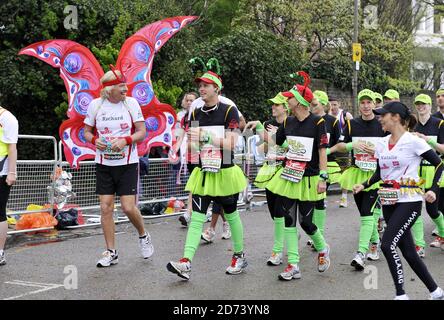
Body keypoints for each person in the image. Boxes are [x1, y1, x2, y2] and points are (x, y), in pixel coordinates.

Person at [353, 101, 444, 300]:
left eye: (383, 115)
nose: (379, 118)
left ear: (395, 117)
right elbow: (380, 172)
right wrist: (364, 184)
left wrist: (433, 189)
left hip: (409, 202)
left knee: (387, 244)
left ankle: (401, 294)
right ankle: (436, 292)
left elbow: (439, 163)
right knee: (409, 253)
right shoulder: (382, 143)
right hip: (388, 201)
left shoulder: (413, 141)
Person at [167, 70, 247, 280]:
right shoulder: (195, 113)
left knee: (231, 214)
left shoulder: (229, 110)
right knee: (196, 218)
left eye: (206, 85)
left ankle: (239, 256)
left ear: (216, 88)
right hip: (203, 171)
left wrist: (206, 136)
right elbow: (194, 144)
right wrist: (189, 148)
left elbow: (231, 143)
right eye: (200, 85)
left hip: (225, 172)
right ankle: (186, 262)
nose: (201, 88)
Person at [84, 68, 154, 267]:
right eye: (121, 85)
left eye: (125, 84)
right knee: (105, 207)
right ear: (109, 89)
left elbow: (141, 131)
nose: (126, 88)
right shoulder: (96, 105)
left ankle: (143, 234)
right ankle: (111, 252)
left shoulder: (131, 103)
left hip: (127, 163)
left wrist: (126, 140)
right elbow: (86, 132)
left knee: (128, 207)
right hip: (104, 163)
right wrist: (94, 140)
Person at [265, 72, 331, 280]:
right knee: (288, 219)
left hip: (309, 178)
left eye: (290, 97)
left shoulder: (318, 123)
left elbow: (322, 151)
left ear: (301, 101)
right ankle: (293, 264)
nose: (287, 99)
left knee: (306, 222)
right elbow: (276, 142)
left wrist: (323, 177)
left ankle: (322, 248)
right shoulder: (288, 122)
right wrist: (258, 129)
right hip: (289, 176)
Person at [330, 89, 385, 270]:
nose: (366, 106)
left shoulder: (381, 124)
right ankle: (375, 244)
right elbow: (338, 146)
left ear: (374, 104)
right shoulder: (352, 124)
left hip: (375, 175)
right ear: (359, 105)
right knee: (364, 213)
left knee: (368, 214)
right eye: (363, 102)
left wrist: (376, 152)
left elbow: (392, 147)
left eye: (369, 102)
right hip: (356, 173)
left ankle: (361, 253)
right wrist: (352, 144)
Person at [244, 92, 289, 265]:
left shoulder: (290, 124)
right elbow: (263, 148)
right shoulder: (268, 124)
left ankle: (277, 251)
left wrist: (274, 138)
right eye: (273, 104)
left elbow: (292, 148)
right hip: (269, 169)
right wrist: (265, 140)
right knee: (273, 211)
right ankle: (287, 232)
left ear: (285, 108)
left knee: (279, 210)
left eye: (277, 105)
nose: (273, 107)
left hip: (285, 170)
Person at [411, 93, 444, 257]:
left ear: (430, 106)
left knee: (432, 210)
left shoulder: (439, 124)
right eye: (418, 104)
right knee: (415, 209)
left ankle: (443, 234)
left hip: (435, 170)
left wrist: (426, 140)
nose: (421, 107)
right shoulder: (413, 126)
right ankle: (419, 245)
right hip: (416, 172)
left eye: (424, 104)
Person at [309, 90, 341, 244]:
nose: (311, 107)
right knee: (311, 199)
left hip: (327, 165)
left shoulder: (333, 121)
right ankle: (314, 232)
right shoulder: (309, 120)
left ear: (323, 104)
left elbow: (339, 143)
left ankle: (319, 234)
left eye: (314, 104)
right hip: (310, 165)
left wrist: (328, 150)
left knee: (319, 199)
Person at [0, 106, 18, 266]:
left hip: (2, 170)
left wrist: (12, 172)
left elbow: (12, 147)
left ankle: (0, 252)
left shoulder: (8, 118)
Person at [328, 96, 353, 208]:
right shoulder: (326, 116)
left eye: (335, 104)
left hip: (342, 149)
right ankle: (321, 197)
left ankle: (344, 197)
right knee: (326, 172)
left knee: (344, 173)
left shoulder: (345, 115)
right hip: (330, 148)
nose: (332, 107)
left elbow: (353, 130)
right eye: (330, 105)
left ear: (339, 104)